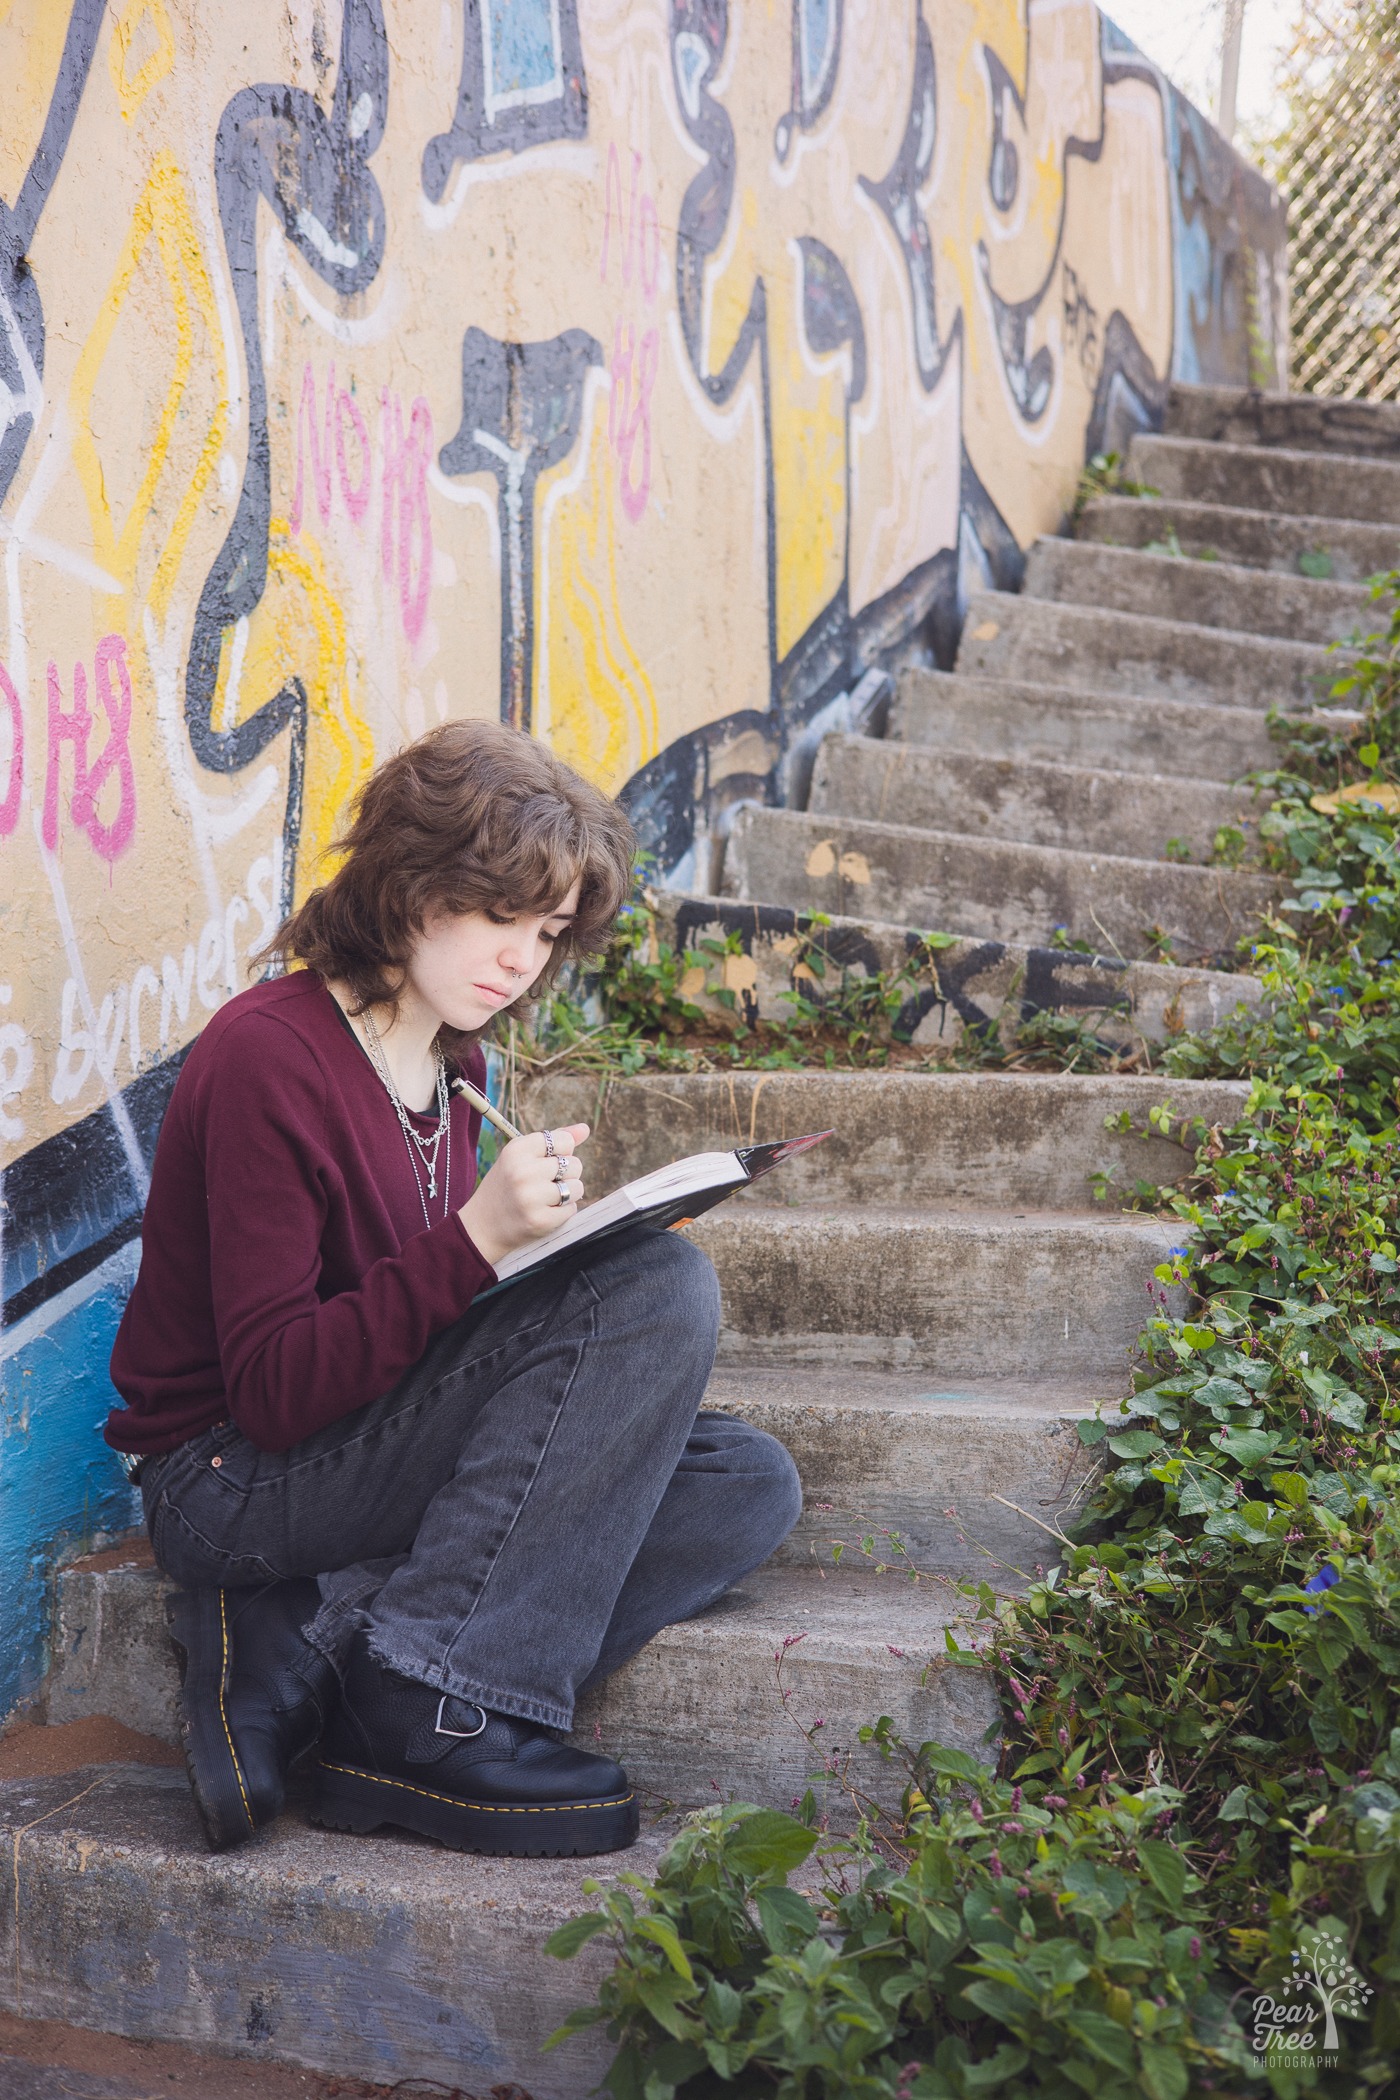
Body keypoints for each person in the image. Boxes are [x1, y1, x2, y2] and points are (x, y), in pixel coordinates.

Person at [104, 721, 802, 1859]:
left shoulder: (457, 1065)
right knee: (657, 1290)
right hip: (225, 1476)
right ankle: (437, 1703)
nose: (520, 957)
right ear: (408, 882)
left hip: (347, 1448)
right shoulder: (267, 1055)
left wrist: (527, 1262)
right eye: (497, 913)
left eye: (545, 930)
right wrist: (479, 1243)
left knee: (743, 1483)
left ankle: (329, 1654)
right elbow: (278, 1391)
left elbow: (419, 1331)